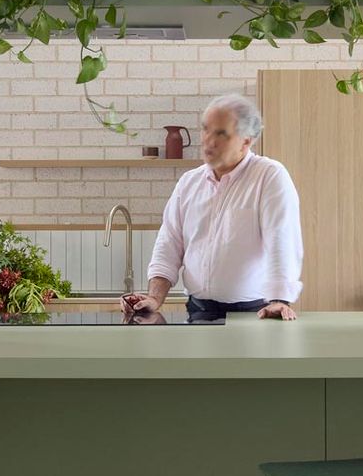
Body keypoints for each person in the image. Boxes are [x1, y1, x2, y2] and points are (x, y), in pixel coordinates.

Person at [124, 93, 303, 322]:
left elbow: (282, 241)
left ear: (246, 140)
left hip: (254, 315)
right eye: (206, 129)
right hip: (198, 312)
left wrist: (280, 299)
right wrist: (154, 298)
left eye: (221, 133)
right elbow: (169, 243)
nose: (209, 140)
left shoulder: (269, 176)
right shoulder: (189, 182)